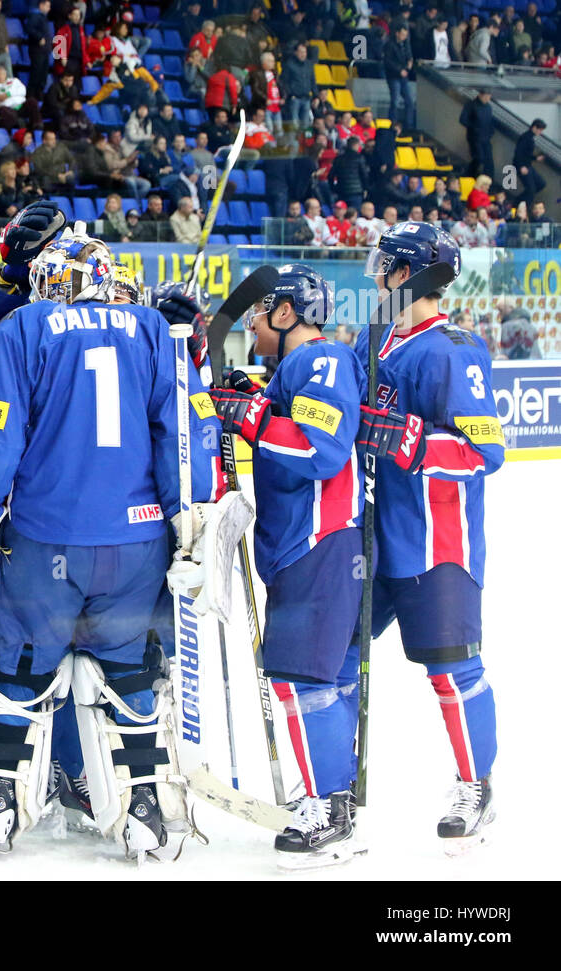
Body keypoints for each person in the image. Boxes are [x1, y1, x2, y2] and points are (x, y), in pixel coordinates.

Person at [0, 210, 223, 857]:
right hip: (137, 547)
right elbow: (188, 435)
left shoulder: (25, 326)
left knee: (16, 669)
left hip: (46, 542)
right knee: (132, 674)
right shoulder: (153, 329)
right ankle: (145, 803)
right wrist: (192, 521)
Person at [206, 265, 365, 867]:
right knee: (321, 680)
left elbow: (318, 451)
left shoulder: (320, 362)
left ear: (287, 314)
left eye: (260, 309)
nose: (250, 319)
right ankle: (335, 800)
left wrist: (248, 415)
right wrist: (247, 401)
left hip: (317, 543)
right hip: (310, 546)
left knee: (300, 682)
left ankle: (325, 807)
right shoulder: (295, 368)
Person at [352, 222, 503, 852]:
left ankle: (476, 784)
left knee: (452, 669)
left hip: (436, 542)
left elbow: (485, 449)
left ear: (409, 275)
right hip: (367, 534)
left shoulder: (454, 350)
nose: (374, 275)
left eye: (384, 265)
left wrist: (410, 440)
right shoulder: (371, 338)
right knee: (335, 657)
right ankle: (328, 794)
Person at [383, 24, 416, 130]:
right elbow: (387, 61)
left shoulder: (406, 45)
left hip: (404, 76)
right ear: (397, 33)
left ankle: (408, 125)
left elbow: (409, 56)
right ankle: (392, 123)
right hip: (393, 76)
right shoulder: (390, 45)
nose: (404, 37)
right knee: (395, 100)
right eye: (402, 34)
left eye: (405, 35)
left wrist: (409, 63)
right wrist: (399, 70)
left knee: (409, 101)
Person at [459, 91, 495, 181]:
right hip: (474, 138)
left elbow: (490, 121)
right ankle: (469, 174)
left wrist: (491, 132)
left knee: (489, 161)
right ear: (480, 95)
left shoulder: (489, 107)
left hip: (486, 137)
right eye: (486, 96)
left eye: (489, 96)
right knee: (479, 158)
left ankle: (488, 182)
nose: (487, 98)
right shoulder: (471, 105)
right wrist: (474, 127)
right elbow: (463, 119)